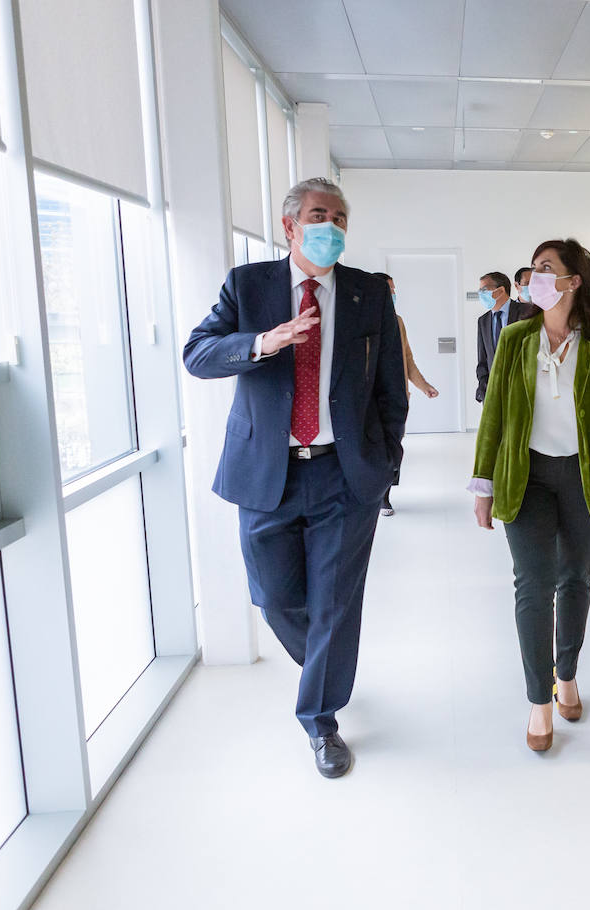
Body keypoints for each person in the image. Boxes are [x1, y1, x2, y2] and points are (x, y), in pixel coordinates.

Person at [183, 177, 407, 779]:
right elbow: (197, 354)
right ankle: (328, 666)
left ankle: (320, 721)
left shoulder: (367, 293)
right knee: (276, 596)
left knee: (334, 601)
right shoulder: (248, 285)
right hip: (267, 474)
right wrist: (261, 342)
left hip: (344, 472)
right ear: (290, 225)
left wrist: (387, 462)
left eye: (338, 216)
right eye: (317, 214)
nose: (330, 225)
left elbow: (391, 387)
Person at [469, 238, 590, 753]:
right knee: (532, 585)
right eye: (535, 268)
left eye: (547, 268)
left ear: (573, 281)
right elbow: (494, 413)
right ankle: (539, 699)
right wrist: (483, 483)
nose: (535, 277)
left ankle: (567, 673)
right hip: (527, 477)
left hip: (582, 479)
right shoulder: (517, 338)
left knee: (575, 579)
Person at [373, 271, 439, 516]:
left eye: (393, 290)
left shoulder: (397, 320)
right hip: (366, 399)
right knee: (370, 448)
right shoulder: (357, 318)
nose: (393, 294)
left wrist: (424, 386)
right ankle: (372, 495)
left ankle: (385, 497)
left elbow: (407, 357)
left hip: (394, 397)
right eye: (389, 290)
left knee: (392, 448)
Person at [475, 271, 536, 402]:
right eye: (479, 290)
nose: (480, 294)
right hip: (494, 394)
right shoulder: (483, 321)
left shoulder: (527, 312)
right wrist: (485, 390)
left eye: (484, 289)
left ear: (501, 290)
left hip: (524, 391)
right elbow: (483, 361)